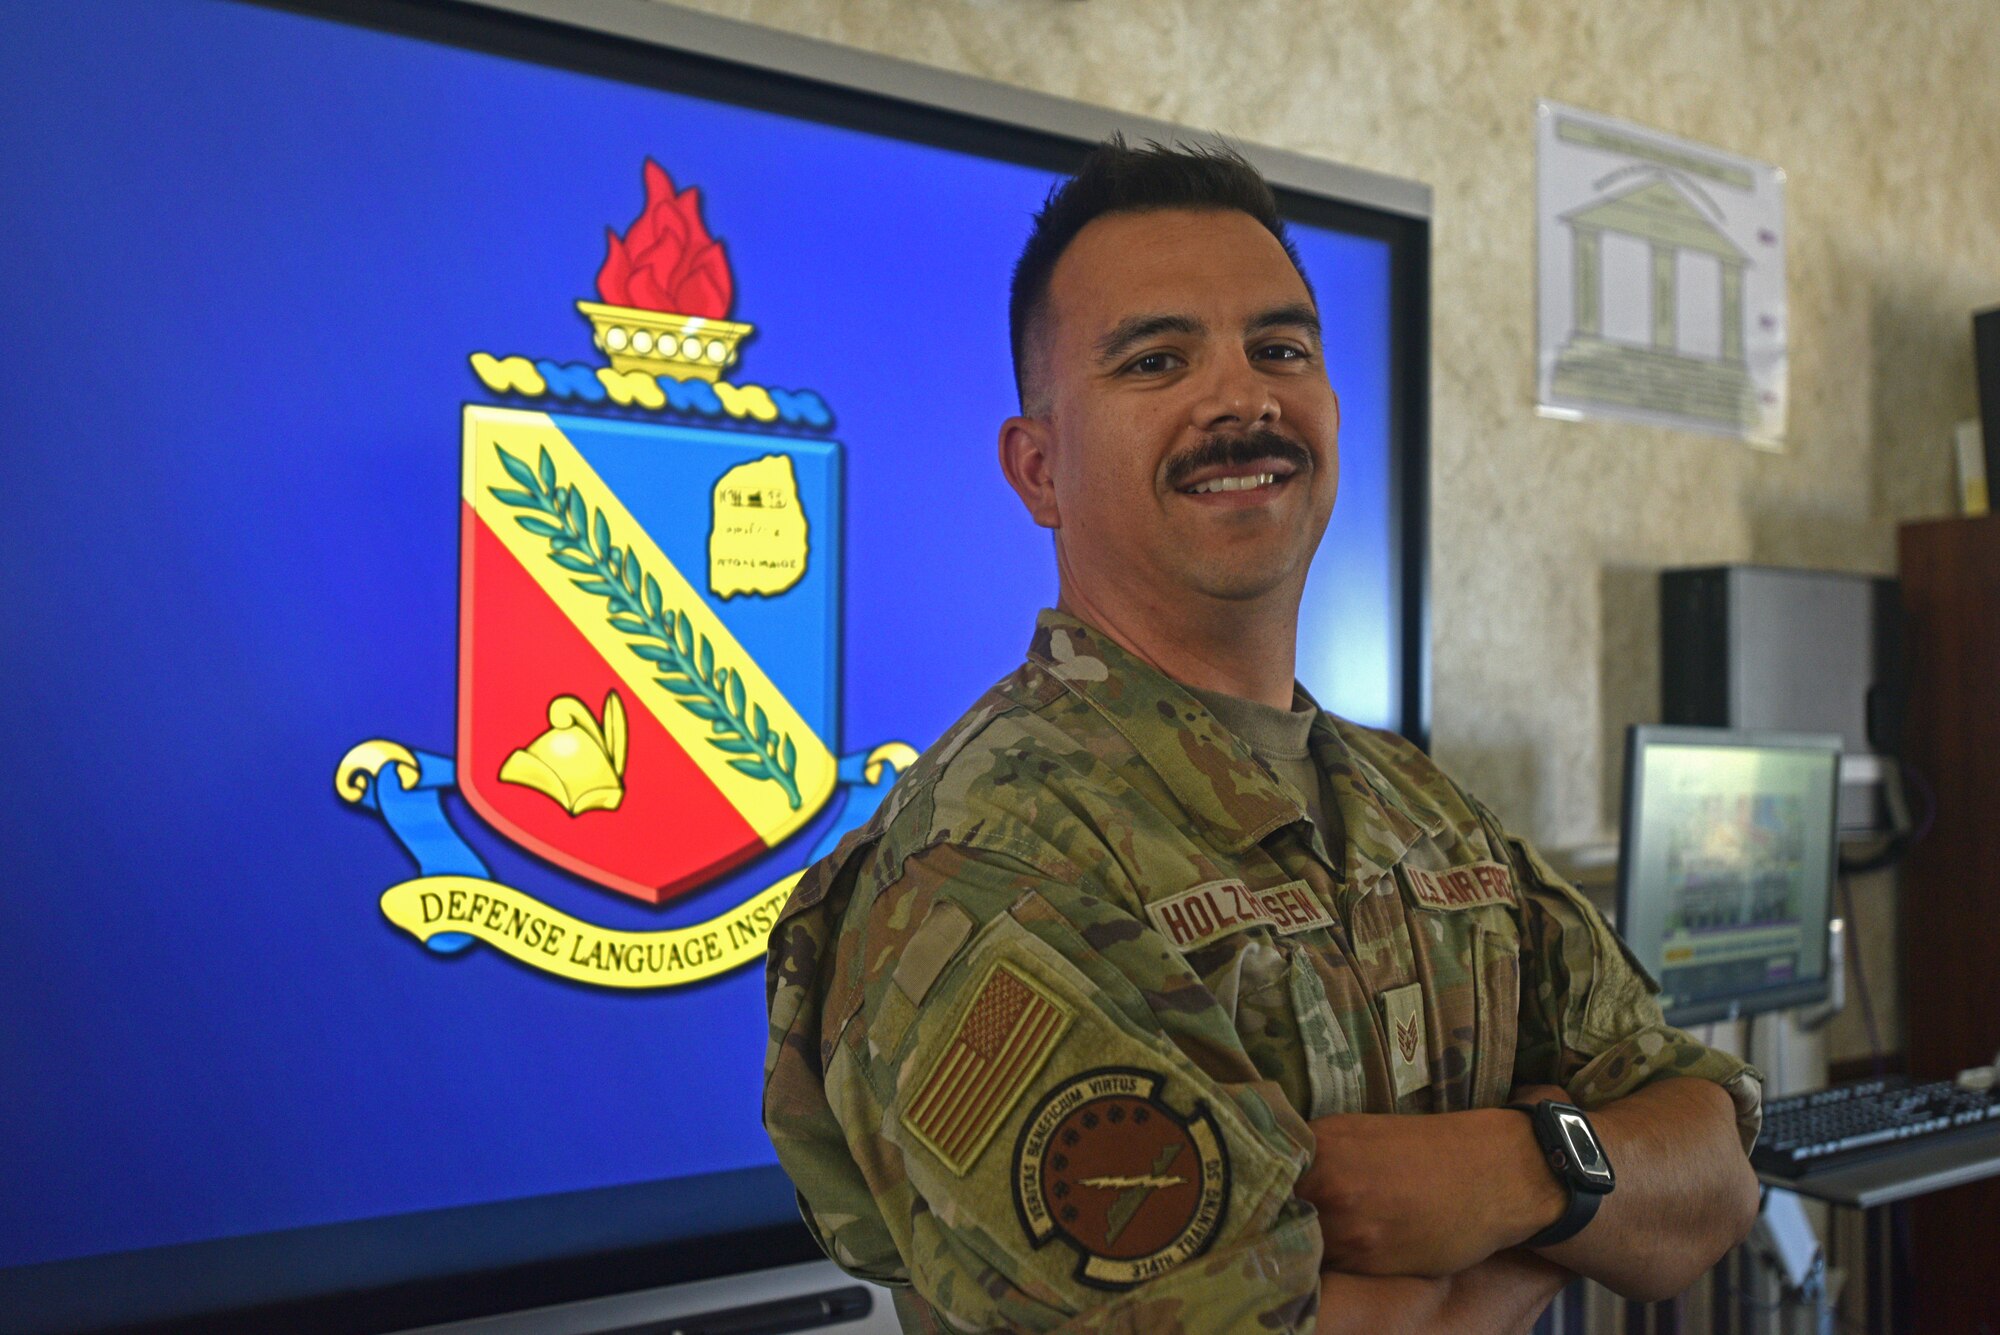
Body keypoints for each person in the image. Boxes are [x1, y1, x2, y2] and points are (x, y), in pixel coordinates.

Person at [763, 139, 1762, 1333]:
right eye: (1154, 359)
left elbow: (1711, 1174)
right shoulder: (988, 860)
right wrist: (1577, 1213)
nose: (1241, 399)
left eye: (1279, 349)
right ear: (1037, 469)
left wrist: (1511, 1171)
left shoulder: (1417, 807)